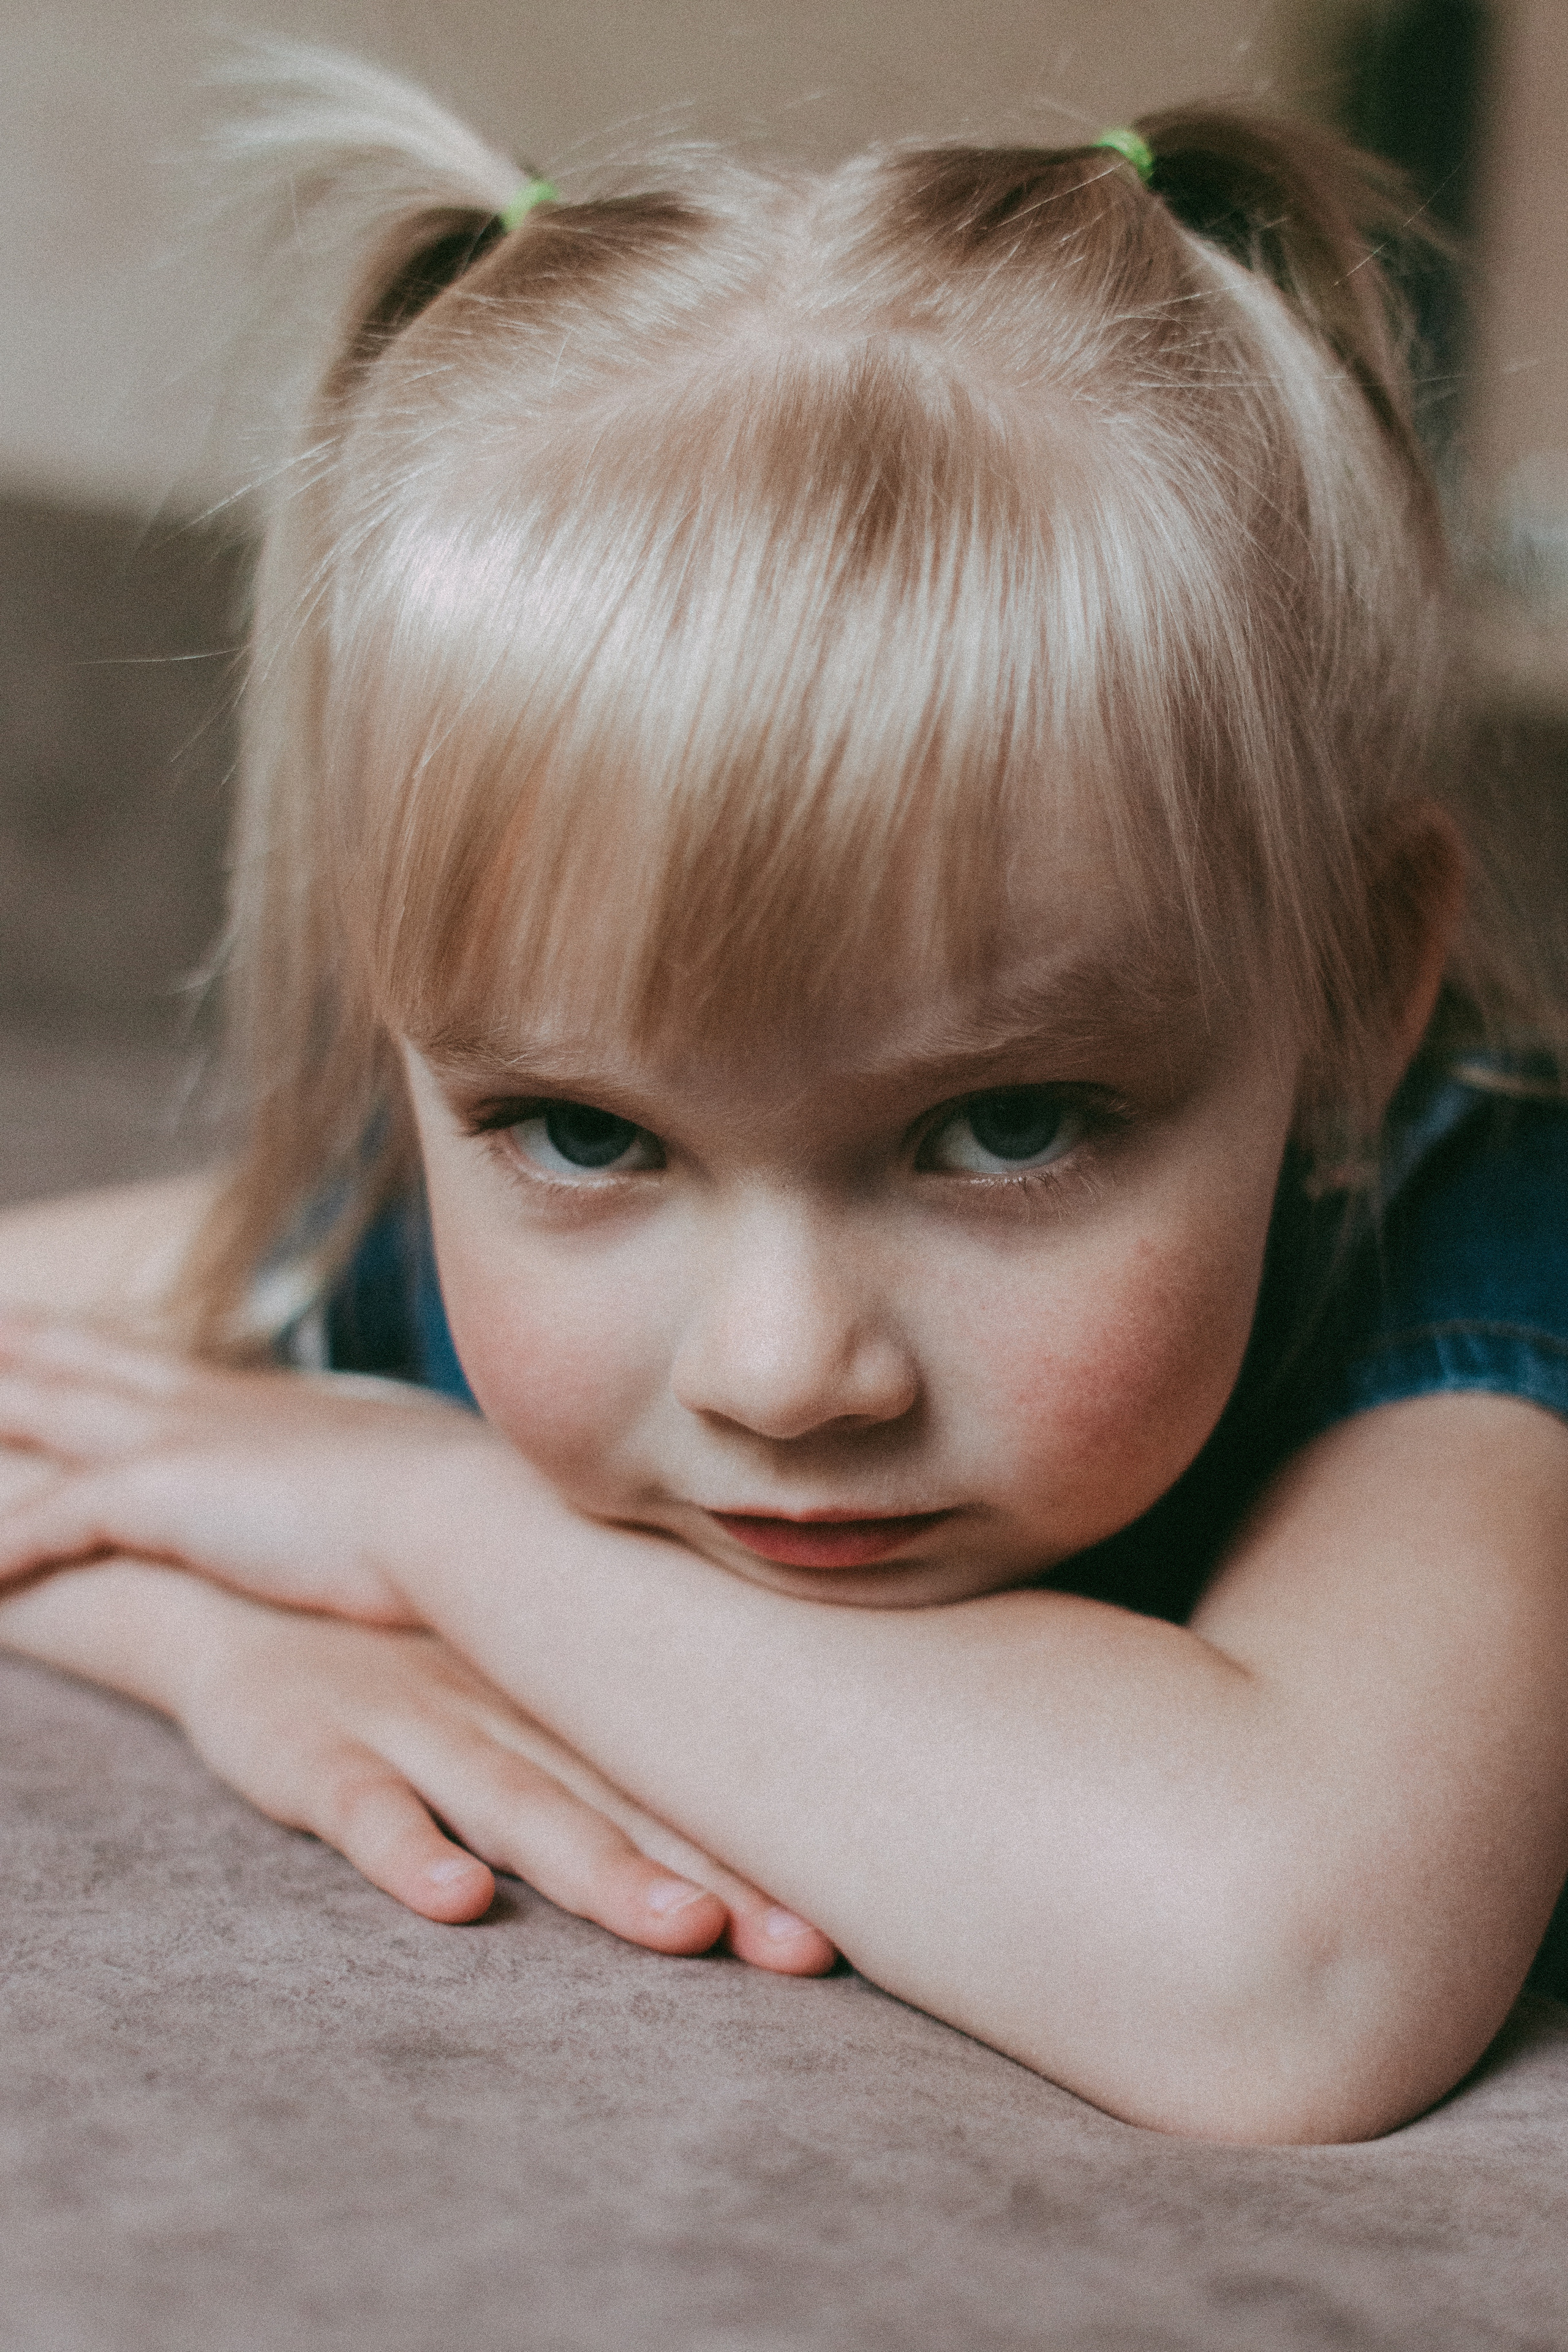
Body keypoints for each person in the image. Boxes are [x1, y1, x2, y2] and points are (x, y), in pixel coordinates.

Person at [1, 43, 1566, 2146]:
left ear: (1355, 998)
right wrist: (198, 1626)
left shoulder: (1478, 1249)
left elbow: (1286, 1979)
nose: (781, 1371)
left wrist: (420, 1517)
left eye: (1009, 1126)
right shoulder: (426, 1257)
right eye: (587, 1132)